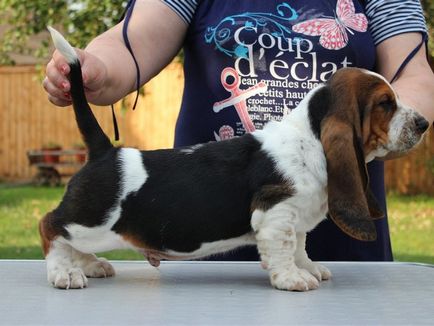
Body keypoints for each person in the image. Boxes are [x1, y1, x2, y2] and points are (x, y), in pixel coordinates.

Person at [43, 0, 434, 261]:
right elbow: (133, 39)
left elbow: (414, 72)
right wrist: (98, 68)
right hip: (199, 221)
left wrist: (396, 124)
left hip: (340, 239)